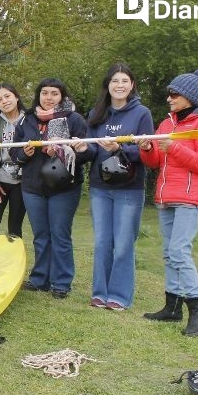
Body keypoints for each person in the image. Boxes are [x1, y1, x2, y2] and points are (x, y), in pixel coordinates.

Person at [138, 69, 198, 336]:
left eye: (175, 94)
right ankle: (172, 308)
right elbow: (154, 164)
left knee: (180, 252)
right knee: (169, 253)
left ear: (190, 98)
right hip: (165, 196)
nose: (169, 98)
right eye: (169, 93)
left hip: (189, 198)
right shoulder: (166, 124)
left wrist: (175, 148)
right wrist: (148, 149)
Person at [72, 64, 153, 311]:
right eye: (115, 81)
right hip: (100, 187)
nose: (119, 85)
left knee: (123, 243)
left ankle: (118, 295)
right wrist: (85, 149)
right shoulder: (97, 114)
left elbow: (147, 152)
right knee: (102, 243)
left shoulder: (142, 114)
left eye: (124, 81)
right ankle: (99, 292)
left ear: (132, 85)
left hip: (129, 187)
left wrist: (120, 148)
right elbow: (93, 151)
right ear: (108, 85)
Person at [9, 78, 88, 299]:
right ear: (38, 95)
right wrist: (25, 153)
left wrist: (70, 150)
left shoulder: (74, 120)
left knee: (60, 234)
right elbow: (14, 154)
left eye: (54, 93)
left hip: (64, 187)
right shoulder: (27, 120)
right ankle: (39, 278)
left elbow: (88, 153)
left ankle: (61, 282)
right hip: (33, 187)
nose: (49, 97)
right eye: (45, 93)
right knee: (40, 235)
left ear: (62, 96)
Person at [0, 83, 27, 237]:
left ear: (16, 96)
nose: (4, 101)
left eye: (7, 96)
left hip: (22, 183)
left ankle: (13, 260)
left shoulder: (29, 120)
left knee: (15, 227)